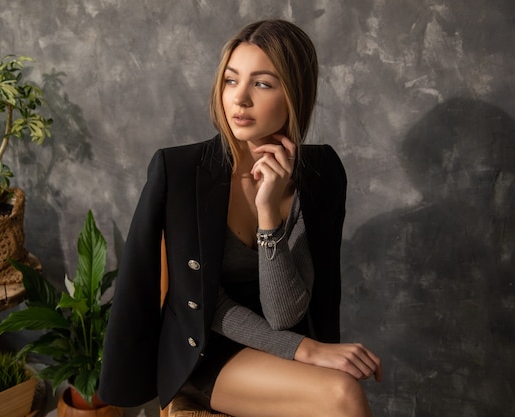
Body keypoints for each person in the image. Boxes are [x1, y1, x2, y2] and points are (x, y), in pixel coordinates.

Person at [98, 19, 382, 417]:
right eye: (231, 81)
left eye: (262, 83)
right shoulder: (181, 172)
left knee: (342, 392)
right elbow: (207, 306)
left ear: (295, 96)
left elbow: (285, 314)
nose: (240, 99)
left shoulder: (321, 174)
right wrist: (308, 350)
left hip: (284, 345)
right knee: (342, 395)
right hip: (206, 350)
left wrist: (269, 214)